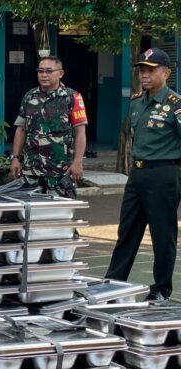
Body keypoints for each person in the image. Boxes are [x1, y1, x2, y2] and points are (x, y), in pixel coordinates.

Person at [105, 48, 181, 301]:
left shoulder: (175, 106)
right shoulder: (137, 105)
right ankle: (113, 283)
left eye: (151, 70)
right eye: (142, 70)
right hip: (136, 176)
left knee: (162, 234)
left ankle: (161, 289)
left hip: (164, 175)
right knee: (127, 232)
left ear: (166, 73)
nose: (144, 75)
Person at [10, 56, 88, 198]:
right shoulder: (30, 96)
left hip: (59, 170)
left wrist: (78, 161)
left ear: (60, 73)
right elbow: (21, 129)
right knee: (30, 214)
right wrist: (15, 157)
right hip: (31, 170)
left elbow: (80, 132)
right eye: (40, 71)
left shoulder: (72, 97)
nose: (44, 75)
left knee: (60, 214)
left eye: (48, 71)